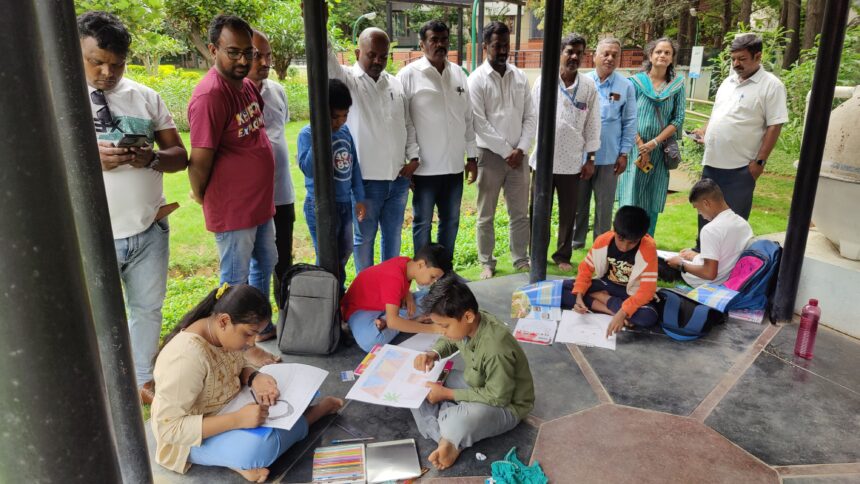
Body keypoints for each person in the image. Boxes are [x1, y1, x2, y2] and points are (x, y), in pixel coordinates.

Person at [79, 11, 189, 404]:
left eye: (117, 63)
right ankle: (100, 384)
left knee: (147, 310)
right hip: (91, 236)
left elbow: (180, 154)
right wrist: (88, 158)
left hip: (147, 230)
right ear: (77, 51)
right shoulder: (58, 98)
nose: (108, 72)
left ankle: (142, 377)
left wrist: (152, 158)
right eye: (97, 61)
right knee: (94, 316)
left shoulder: (144, 96)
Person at [151, 283, 343, 482]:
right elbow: (170, 429)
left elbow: (234, 368)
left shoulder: (222, 335)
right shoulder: (185, 358)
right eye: (249, 333)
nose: (253, 342)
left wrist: (254, 378)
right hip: (190, 440)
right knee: (259, 450)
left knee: (303, 389)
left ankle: (238, 457)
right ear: (224, 321)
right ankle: (310, 417)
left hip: (233, 406)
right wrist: (237, 420)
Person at [187, 15, 279, 344]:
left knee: (266, 263)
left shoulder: (247, 86)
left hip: (259, 205)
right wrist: (201, 194)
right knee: (234, 283)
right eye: (233, 52)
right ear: (213, 49)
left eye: (248, 53)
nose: (243, 60)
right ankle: (227, 348)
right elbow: (199, 161)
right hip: (233, 209)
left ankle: (255, 329)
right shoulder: (210, 96)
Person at [411, 276, 534, 470]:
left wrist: (448, 394)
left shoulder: (496, 348)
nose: (442, 332)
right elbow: (452, 339)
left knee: (454, 419)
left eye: (444, 326)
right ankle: (450, 435)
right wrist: (433, 354)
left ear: (468, 316)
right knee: (422, 382)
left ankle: (447, 436)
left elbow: (499, 397)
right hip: (478, 384)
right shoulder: (468, 323)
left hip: (508, 406)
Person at [327, 27, 415, 273]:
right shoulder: (347, 80)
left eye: (383, 56)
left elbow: (406, 123)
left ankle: (388, 292)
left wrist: (414, 156)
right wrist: (320, 27)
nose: (378, 61)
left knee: (393, 239)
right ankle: (366, 295)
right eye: (371, 55)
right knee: (364, 241)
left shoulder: (395, 84)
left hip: (398, 180)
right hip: (365, 183)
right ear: (357, 52)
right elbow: (326, 62)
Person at [398, 20, 478, 260]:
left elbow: (468, 118)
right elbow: (403, 122)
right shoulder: (408, 75)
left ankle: (445, 273)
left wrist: (472, 157)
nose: (440, 44)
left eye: (444, 39)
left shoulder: (458, 74)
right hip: (424, 168)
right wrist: (410, 159)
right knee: (422, 223)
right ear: (422, 44)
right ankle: (425, 277)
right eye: (434, 40)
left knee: (451, 221)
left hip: (454, 166)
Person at [694, 33, 788, 225]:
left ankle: (730, 256)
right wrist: (706, 131)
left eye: (742, 59)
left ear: (758, 56)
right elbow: (718, 114)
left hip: (740, 169)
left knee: (732, 223)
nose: (736, 63)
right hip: (711, 164)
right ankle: (702, 252)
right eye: (733, 59)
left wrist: (759, 164)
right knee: (706, 216)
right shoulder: (728, 83)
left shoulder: (771, 86)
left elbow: (775, 125)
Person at [469, 21, 537, 279]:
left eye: (506, 45)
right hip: (490, 157)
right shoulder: (476, 80)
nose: (502, 50)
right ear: (485, 46)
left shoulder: (519, 77)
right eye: (496, 45)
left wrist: (520, 149)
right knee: (485, 215)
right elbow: (479, 122)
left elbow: (530, 116)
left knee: (519, 213)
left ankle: (521, 259)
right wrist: (506, 150)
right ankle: (486, 262)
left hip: (518, 158)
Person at [529, 33, 601, 272]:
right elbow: (532, 116)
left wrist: (590, 158)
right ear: (560, 53)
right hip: (543, 161)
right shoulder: (544, 81)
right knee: (539, 212)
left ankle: (562, 255)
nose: (574, 57)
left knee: (568, 213)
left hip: (572, 163)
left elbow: (592, 124)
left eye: (579, 53)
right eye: (569, 51)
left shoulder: (588, 86)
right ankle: (536, 253)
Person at [297, 79, 366, 288]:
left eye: (344, 116)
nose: (340, 122)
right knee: (327, 257)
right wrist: (322, 133)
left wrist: (359, 198)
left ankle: (338, 292)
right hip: (320, 206)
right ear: (321, 112)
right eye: (334, 116)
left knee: (345, 250)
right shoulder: (307, 134)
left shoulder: (345, 132)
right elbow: (308, 168)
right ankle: (326, 297)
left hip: (345, 204)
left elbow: (354, 167)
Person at [616, 37, 686, 237]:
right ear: (650, 55)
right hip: (634, 150)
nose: (662, 55)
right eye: (659, 52)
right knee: (630, 194)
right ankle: (624, 239)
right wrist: (640, 144)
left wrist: (654, 143)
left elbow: (678, 118)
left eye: (667, 53)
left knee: (652, 197)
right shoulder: (635, 83)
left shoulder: (677, 85)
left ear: (672, 58)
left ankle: (647, 240)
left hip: (659, 151)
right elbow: (627, 115)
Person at [572, 38, 637, 249]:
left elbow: (629, 122)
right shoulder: (581, 83)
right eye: (605, 54)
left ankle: (600, 245)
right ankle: (576, 242)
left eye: (614, 55)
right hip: (581, 157)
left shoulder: (625, 86)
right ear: (594, 56)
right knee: (578, 204)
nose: (610, 58)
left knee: (605, 205)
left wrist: (624, 153)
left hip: (610, 157)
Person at [248, 30, 295, 314]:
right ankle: (258, 320)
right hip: (252, 197)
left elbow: (280, 130)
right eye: (257, 55)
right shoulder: (234, 93)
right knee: (257, 262)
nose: (264, 62)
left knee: (282, 258)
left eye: (267, 55)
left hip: (282, 192)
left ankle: (287, 314)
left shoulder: (277, 90)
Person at [562, 205, 659, 337]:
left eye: (632, 242)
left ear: (641, 237)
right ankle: (610, 309)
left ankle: (601, 298)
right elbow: (585, 270)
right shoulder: (602, 241)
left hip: (630, 293)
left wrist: (622, 312)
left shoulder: (648, 248)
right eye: (620, 239)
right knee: (563, 288)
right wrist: (579, 297)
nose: (624, 247)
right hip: (606, 285)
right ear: (614, 230)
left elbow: (647, 290)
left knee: (648, 316)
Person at [341, 243, 452, 352]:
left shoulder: (408, 263)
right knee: (372, 341)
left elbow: (397, 282)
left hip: (386, 304)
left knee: (440, 295)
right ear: (421, 265)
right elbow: (392, 321)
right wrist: (433, 329)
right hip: (360, 311)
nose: (432, 281)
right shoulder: (394, 277)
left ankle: (395, 321)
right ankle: (403, 320)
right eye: (432, 277)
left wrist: (407, 294)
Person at [662, 179, 753, 287]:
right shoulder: (743, 224)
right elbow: (725, 256)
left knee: (661, 262)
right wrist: (696, 257)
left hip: (706, 282)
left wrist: (680, 264)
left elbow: (709, 273)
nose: (700, 214)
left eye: (698, 208)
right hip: (729, 277)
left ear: (706, 203)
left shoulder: (711, 229)